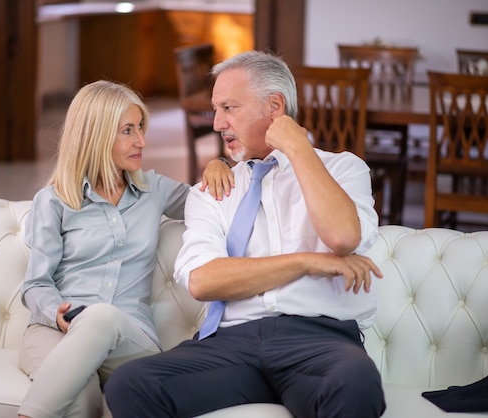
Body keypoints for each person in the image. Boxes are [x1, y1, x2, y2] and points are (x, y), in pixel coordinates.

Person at [104, 51, 387, 418]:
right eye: (216, 108)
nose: (217, 122)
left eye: (229, 107)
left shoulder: (344, 169)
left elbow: (343, 238)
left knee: (356, 383)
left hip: (320, 340)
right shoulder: (213, 189)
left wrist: (298, 147)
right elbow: (203, 281)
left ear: (275, 107)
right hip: (232, 344)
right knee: (130, 382)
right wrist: (306, 262)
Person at [17, 80, 233, 418]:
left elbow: (211, 204)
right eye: (128, 131)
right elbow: (35, 283)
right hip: (55, 331)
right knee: (80, 401)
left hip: (131, 339)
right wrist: (55, 312)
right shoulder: (53, 201)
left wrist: (217, 164)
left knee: (100, 316)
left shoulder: (155, 189)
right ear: (97, 136)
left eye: (140, 128)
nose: (142, 141)